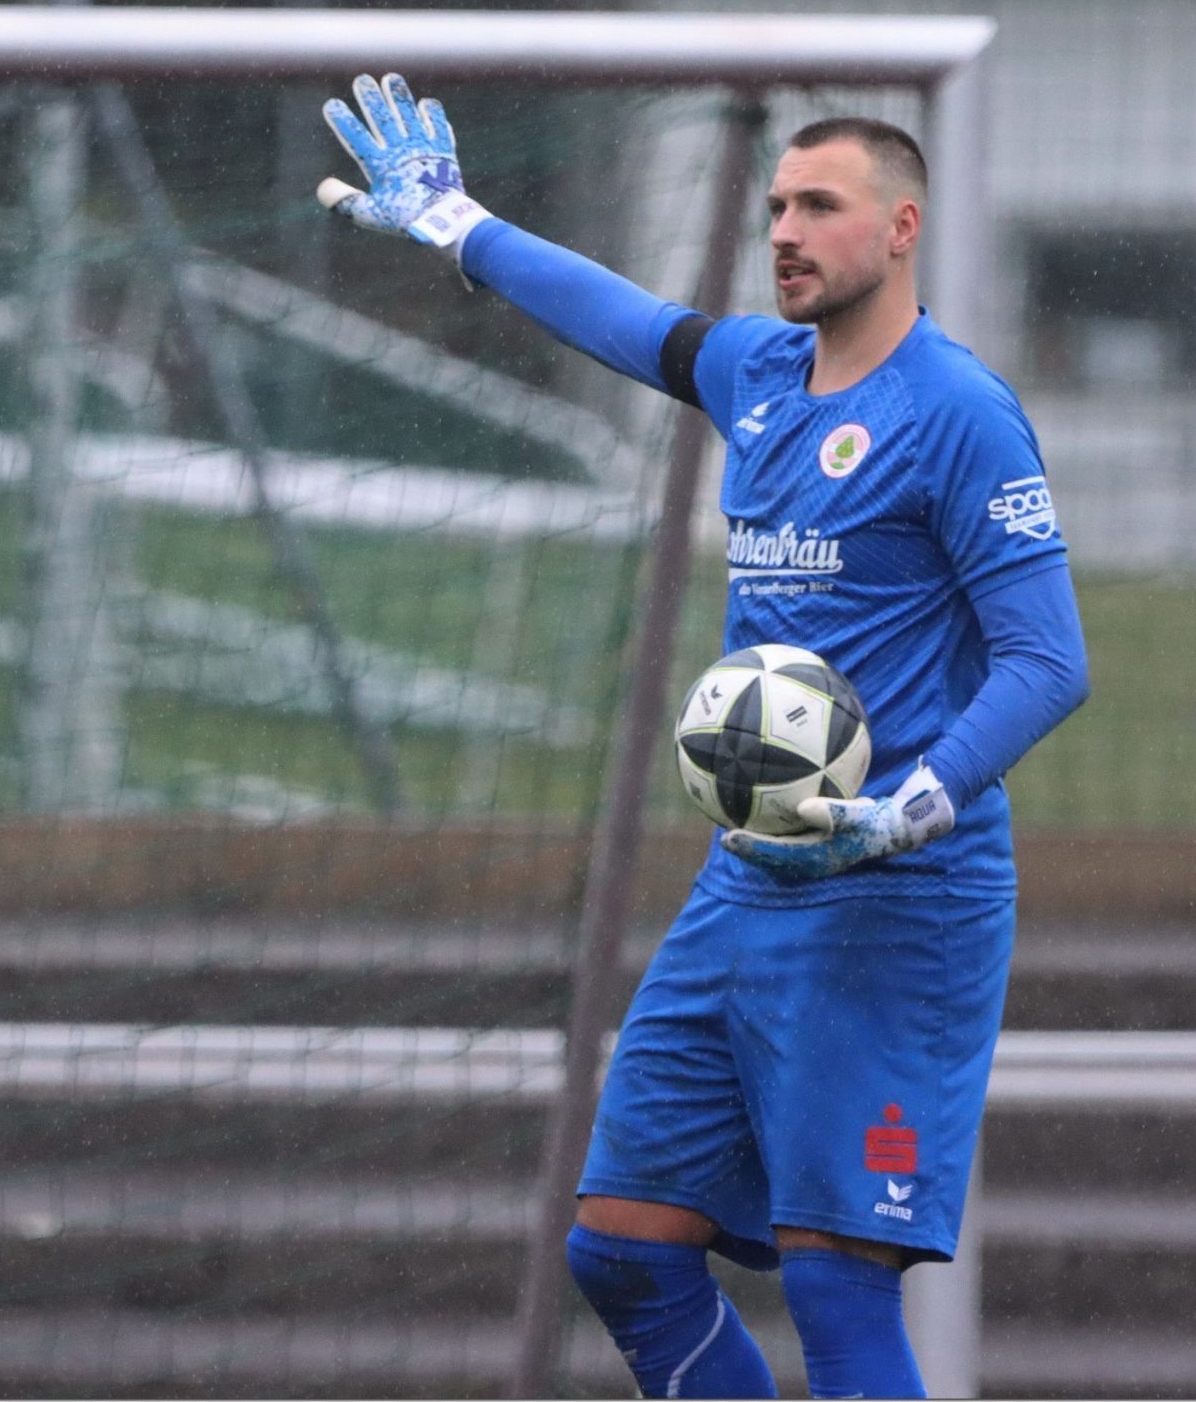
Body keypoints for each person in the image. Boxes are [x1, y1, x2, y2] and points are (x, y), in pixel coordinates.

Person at [319, 75, 1090, 1400]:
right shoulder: (758, 370)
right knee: (622, 1251)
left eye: (820, 207)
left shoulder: (958, 412)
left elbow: (1048, 659)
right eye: (777, 204)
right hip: (748, 881)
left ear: (902, 228)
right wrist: (459, 224)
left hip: (896, 893)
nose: (784, 228)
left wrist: (912, 802)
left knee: (839, 1286)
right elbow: (625, 321)